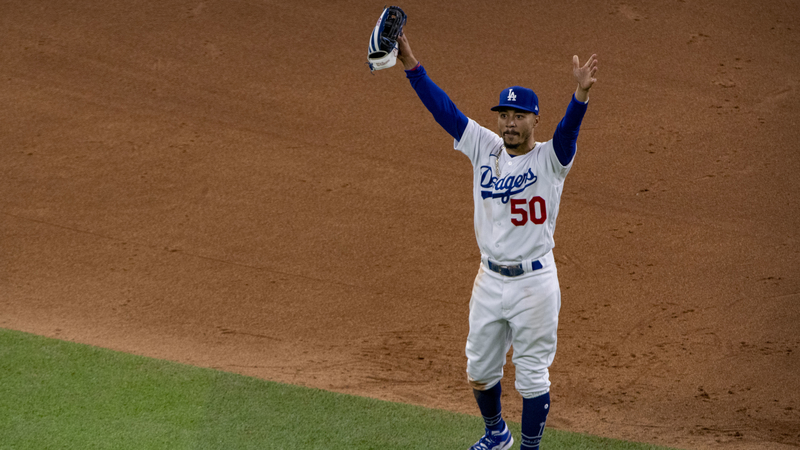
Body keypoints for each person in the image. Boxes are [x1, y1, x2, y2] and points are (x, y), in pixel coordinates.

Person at [395, 31, 598, 450]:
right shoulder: (484, 147)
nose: (508, 122)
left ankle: (529, 448)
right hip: (489, 279)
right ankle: (496, 434)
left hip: (534, 284)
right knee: (480, 369)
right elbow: (445, 112)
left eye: (518, 115)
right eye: (503, 114)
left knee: (531, 377)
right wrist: (412, 65)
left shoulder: (551, 159)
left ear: (533, 120)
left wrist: (579, 95)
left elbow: (568, 133)